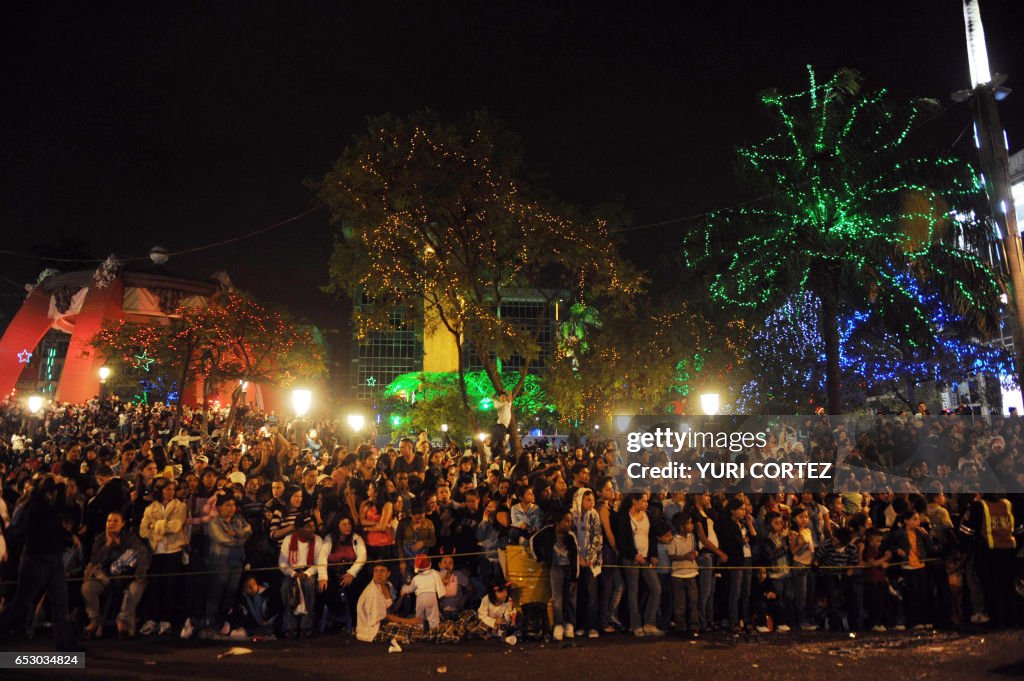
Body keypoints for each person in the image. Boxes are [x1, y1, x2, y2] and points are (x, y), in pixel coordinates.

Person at [0, 476, 79, 651]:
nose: (54, 496)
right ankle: (65, 643)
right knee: (21, 602)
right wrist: (59, 483)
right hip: (36, 560)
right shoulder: (34, 508)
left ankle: (65, 643)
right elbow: (55, 509)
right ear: (46, 493)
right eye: (52, 493)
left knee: (60, 602)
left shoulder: (38, 507)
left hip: (50, 558)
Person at [81, 510, 151, 639]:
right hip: (105, 577)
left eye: (115, 521)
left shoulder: (130, 537)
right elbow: (95, 560)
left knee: (136, 588)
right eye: (109, 521)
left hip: (127, 577)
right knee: (87, 588)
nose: (111, 524)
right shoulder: (101, 538)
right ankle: (94, 618)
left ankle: (123, 618)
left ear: (122, 523)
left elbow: (142, 553)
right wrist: (107, 545)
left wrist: (140, 571)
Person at [138, 476, 188, 636]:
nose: (171, 492)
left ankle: (166, 620)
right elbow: (143, 530)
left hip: (173, 551)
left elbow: (176, 526)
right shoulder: (150, 508)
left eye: (173, 489)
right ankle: (152, 619)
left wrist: (156, 525)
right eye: (167, 489)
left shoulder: (180, 506)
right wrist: (161, 526)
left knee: (170, 586)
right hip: (156, 552)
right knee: (155, 586)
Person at [614, 493, 663, 637]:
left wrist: (653, 554)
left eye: (646, 501)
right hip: (631, 559)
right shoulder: (624, 517)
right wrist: (634, 554)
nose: (646, 504)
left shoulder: (648, 516)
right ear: (635, 501)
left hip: (646, 557)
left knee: (656, 588)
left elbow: (652, 536)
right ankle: (635, 624)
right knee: (633, 591)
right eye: (643, 501)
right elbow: (622, 539)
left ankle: (649, 623)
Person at [206, 492, 253, 634]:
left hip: (237, 560)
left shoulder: (238, 519)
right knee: (218, 590)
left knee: (231, 591)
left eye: (233, 505)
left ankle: (226, 619)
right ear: (219, 507)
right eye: (227, 505)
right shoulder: (215, 522)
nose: (231, 508)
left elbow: (249, 530)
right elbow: (223, 539)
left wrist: (235, 533)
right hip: (221, 560)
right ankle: (212, 620)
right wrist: (240, 538)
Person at [531, 508, 579, 641]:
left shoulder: (571, 536)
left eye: (571, 521)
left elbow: (575, 558)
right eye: (567, 521)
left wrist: (574, 577)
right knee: (557, 598)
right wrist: (540, 558)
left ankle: (569, 624)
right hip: (555, 568)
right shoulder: (547, 532)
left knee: (570, 598)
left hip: (569, 568)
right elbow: (533, 541)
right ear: (558, 522)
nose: (570, 524)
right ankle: (558, 625)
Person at [278, 513, 326, 638]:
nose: (311, 529)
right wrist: (293, 574)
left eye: (312, 526)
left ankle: (306, 624)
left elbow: (318, 563)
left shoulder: (318, 540)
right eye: (307, 527)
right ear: (299, 529)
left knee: (308, 585)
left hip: (308, 570)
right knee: (285, 588)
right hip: (291, 571)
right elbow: (282, 562)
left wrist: (306, 573)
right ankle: (290, 625)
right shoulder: (289, 540)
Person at [356, 562, 425, 644]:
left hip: (384, 623)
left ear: (388, 574)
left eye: (382, 571)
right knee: (415, 633)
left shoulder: (387, 585)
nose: (378, 574)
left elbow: (390, 607)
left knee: (419, 626)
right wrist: (408, 621)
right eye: (376, 571)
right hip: (374, 629)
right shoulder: (373, 592)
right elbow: (385, 616)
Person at [571, 487, 602, 637]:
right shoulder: (573, 515)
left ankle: (592, 626)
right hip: (577, 561)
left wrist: (589, 557)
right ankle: (580, 625)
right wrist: (578, 557)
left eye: (593, 499)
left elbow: (597, 536)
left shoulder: (594, 514)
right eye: (588, 499)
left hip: (591, 561)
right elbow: (571, 536)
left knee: (592, 593)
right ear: (580, 499)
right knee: (580, 594)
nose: (591, 502)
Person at [666, 512, 700, 636]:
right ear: (681, 527)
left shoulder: (691, 537)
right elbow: (671, 556)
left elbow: (693, 550)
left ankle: (694, 626)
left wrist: (694, 553)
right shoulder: (674, 540)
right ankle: (681, 627)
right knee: (680, 604)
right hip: (678, 575)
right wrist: (685, 557)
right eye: (689, 523)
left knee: (693, 602)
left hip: (691, 572)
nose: (691, 526)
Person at [401, 553, 446, 630]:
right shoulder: (434, 573)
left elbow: (410, 589)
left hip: (420, 598)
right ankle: (434, 630)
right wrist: (443, 569)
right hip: (432, 597)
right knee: (433, 616)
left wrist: (404, 589)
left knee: (419, 616)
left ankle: (419, 630)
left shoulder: (416, 578)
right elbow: (443, 574)